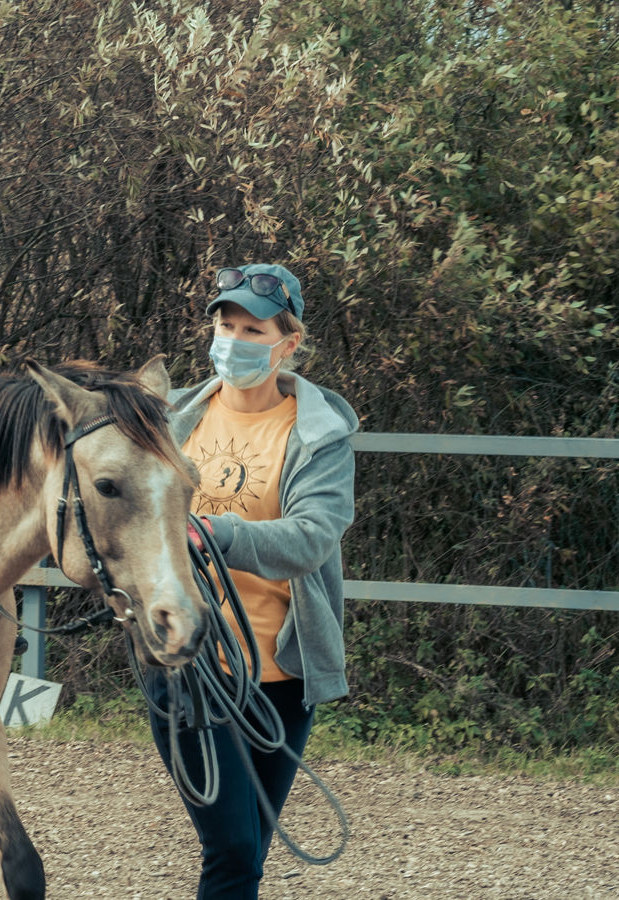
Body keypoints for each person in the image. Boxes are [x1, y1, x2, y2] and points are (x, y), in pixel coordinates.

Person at [150, 263, 359, 898]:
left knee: (250, 853)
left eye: (252, 328)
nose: (233, 340)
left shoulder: (318, 434)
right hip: (191, 667)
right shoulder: (169, 421)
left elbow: (312, 536)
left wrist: (219, 533)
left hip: (281, 674)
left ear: (288, 342)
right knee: (234, 849)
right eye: (225, 323)